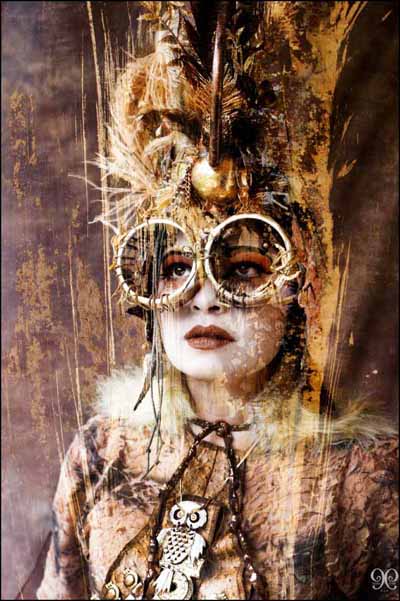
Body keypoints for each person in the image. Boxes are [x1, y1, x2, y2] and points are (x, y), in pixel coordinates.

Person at [37, 3, 398, 600]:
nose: (204, 299)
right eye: (176, 268)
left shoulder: (359, 474)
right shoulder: (102, 453)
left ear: (295, 291)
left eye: (245, 269)